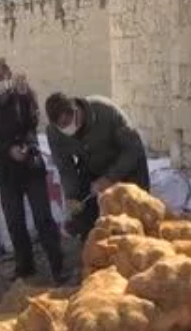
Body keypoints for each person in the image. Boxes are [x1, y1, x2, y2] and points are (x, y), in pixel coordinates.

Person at [0, 58, 65, 282]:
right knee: (14, 221)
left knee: (43, 218)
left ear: (8, 74)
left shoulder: (22, 95)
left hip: (30, 165)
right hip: (6, 169)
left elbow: (32, 123)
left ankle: (58, 266)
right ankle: (24, 267)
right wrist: (8, 150)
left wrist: (26, 96)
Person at [44, 91, 150, 241]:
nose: (67, 129)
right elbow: (65, 166)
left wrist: (109, 178)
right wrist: (72, 196)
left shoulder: (105, 112)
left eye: (68, 123)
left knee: (134, 216)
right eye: (62, 126)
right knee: (86, 217)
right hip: (93, 166)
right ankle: (97, 254)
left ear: (75, 110)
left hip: (127, 164)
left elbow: (133, 150)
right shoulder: (54, 132)